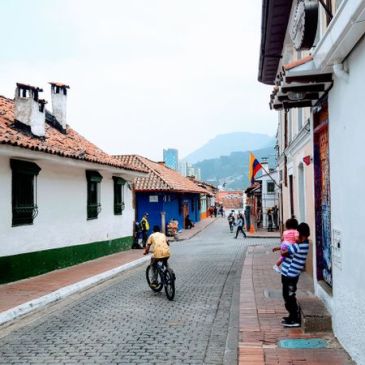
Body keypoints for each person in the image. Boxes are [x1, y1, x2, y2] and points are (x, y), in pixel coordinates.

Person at [278, 222, 310, 328]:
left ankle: (295, 319)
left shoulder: (300, 245)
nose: (296, 235)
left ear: (302, 234)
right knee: (288, 295)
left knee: (289, 296)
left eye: (298, 233)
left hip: (290, 275)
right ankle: (291, 316)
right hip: (288, 273)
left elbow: (284, 253)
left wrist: (287, 244)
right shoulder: (301, 243)